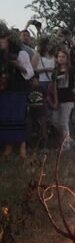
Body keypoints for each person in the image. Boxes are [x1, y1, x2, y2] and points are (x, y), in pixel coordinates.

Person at [0, 28, 34, 158]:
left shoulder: (22, 53)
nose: (1, 43)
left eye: (2, 41)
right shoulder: (1, 55)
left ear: (9, 41)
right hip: (5, 91)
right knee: (6, 118)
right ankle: (8, 147)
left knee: (19, 119)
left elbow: (28, 72)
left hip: (19, 91)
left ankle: (22, 149)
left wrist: (14, 63)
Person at [51, 49, 75, 150]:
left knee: (64, 122)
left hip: (68, 100)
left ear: (67, 58)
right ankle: (70, 140)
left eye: (63, 57)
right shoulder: (55, 72)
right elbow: (55, 89)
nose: (61, 58)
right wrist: (56, 101)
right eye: (59, 57)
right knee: (54, 121)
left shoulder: (71, 70)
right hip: (59, 100)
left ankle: (66, 145)